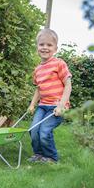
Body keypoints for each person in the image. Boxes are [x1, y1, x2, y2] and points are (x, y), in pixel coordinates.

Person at [28, 28, 72, 163]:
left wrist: (61, 105)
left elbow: (68, 85)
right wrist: (32, 104)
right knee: (34, 130)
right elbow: (38, 89)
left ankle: (51, 157)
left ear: (55, 48)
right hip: (42, 106)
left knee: (45, 131)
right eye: (41, 44)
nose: (45, 47)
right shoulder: (37, 69)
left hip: (56, 106)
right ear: (37, 47)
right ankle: (39, 154)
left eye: (49, 45)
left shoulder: (59, 64)